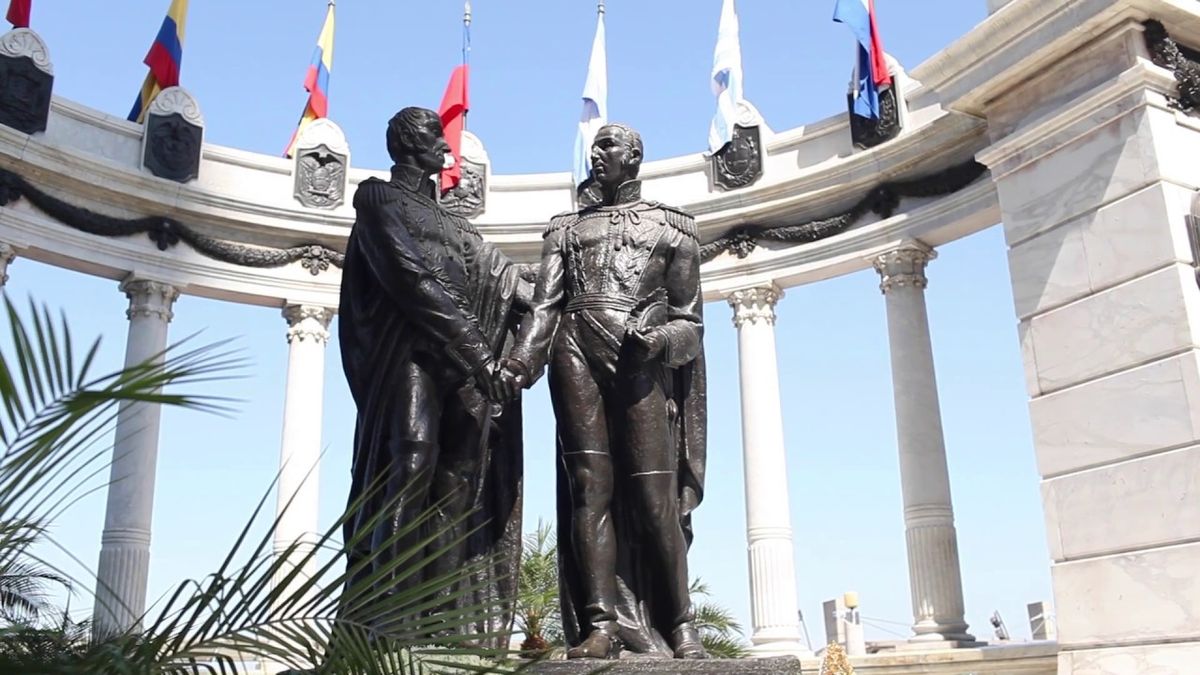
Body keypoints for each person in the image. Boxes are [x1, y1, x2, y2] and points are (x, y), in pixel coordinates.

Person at [494, 123, 708, 660]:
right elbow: (545, 307)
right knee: (590, 488)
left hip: (639, 358)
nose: (598, 153)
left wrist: (657, 339)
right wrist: (521, 361)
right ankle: (600, 625)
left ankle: (681, 626)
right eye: (595, 146)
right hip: (574, 350)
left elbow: (691, 323)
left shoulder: (675, 228)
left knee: (653, 498)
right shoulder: (564, 229)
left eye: (609, 145)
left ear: (635, 156)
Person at [337, 107, 527, 645]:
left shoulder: (458, 225)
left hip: (462, 364)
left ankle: (439, 620)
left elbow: (506, 281)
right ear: (405, 143)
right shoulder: (377, 199)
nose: (446, 149)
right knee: (412, 461)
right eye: (433, 139)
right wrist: (479, 355)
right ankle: (388, 612)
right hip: (411, 355)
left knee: (459, 483)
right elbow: (411, 278)